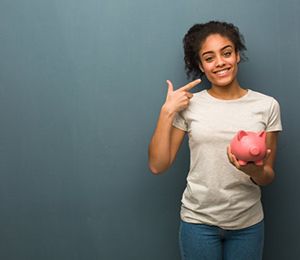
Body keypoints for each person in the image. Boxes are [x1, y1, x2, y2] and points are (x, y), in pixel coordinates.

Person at [148, 21, 282, 260]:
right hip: (198, 223)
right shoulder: (189, 106)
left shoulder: (267, 106)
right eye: (209, 58)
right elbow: (158, 165)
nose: (220, 62)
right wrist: (166, 111)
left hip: (247, 224)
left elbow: (268, 176)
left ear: (237, 55)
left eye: (227, 53)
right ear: (201, 65)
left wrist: (253, 170)